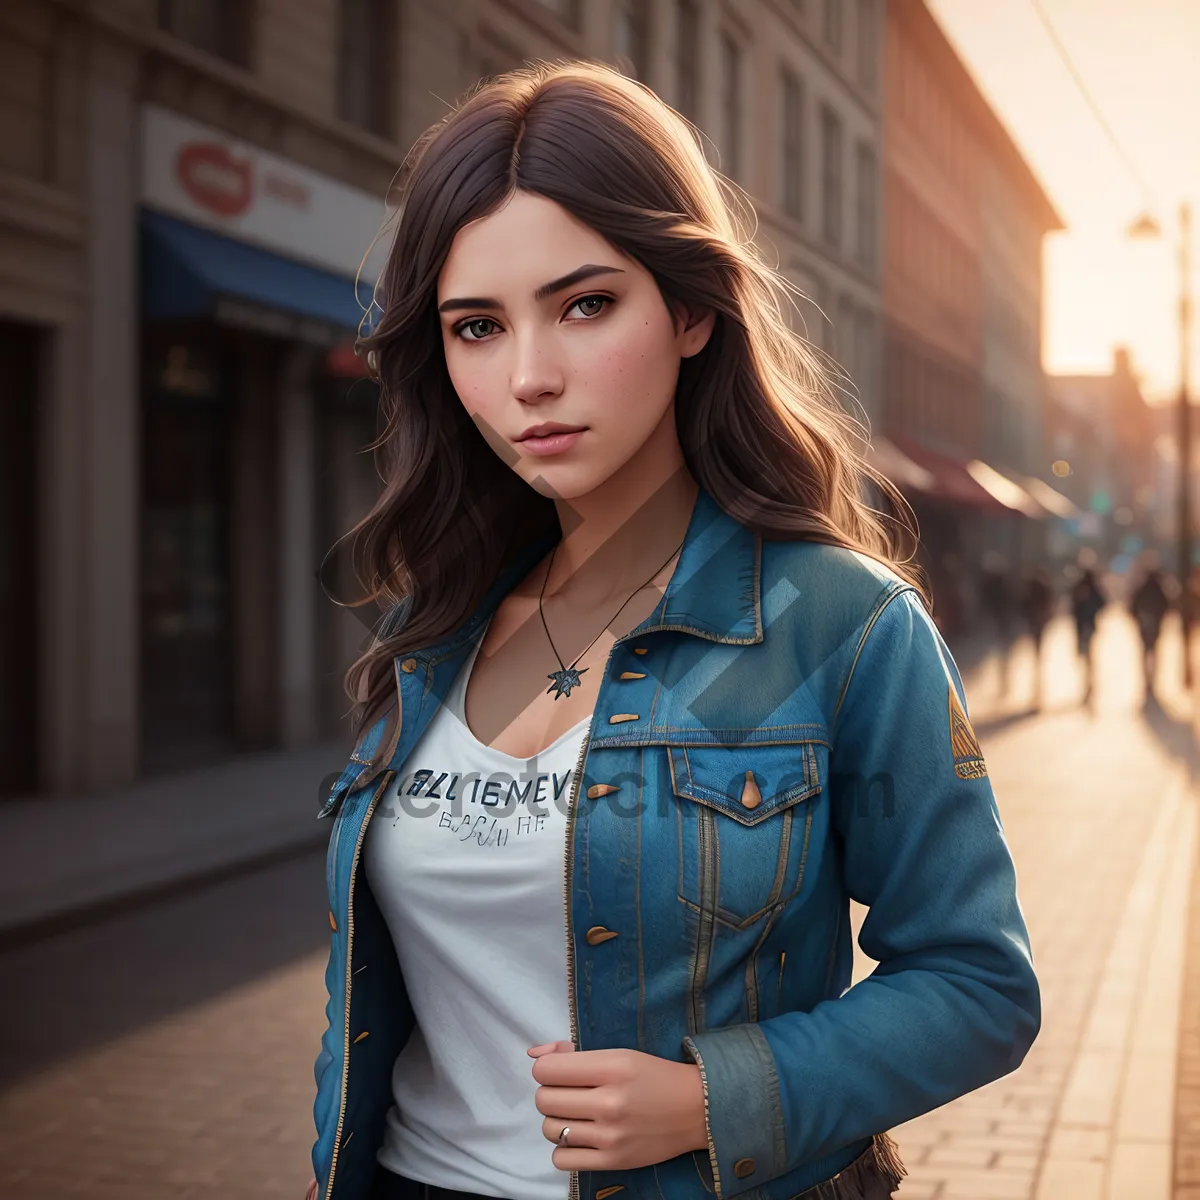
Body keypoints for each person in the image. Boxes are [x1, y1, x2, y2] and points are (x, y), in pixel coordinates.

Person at [307, 62, 1038, 1200]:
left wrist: (719, 1096)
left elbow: (976, 984)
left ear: (691, 309)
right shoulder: (434, 627)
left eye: (585, 304)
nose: (530, 377)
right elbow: (375, 992)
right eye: (477, 327)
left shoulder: (842, 625)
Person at [1129, 562, 1171, 699]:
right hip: (1152, 626)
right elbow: (1167, 606)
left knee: (1146, 652)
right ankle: (1151, 678)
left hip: (1145, 626)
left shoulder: (1142, 589)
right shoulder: (1158, 590)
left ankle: (1148, 678)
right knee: (1153, 652)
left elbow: (1132, 607)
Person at [1070, 557, 1107, 703]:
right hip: (1087, 625)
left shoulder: (1084, 587)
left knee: (1086, 655)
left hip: (1085, 625)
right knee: (1087, 655)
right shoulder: (1090, 587)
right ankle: (1088, 681)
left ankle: (1088, 682)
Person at [1018, 566, 1056, 707]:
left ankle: (1037, 691)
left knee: (1037, 657)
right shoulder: (1043, 589)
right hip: (1039, 624)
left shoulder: (1031, 590)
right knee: (1038, 658)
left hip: (1035, 624)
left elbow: (1023, 606)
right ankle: (1039, 691)